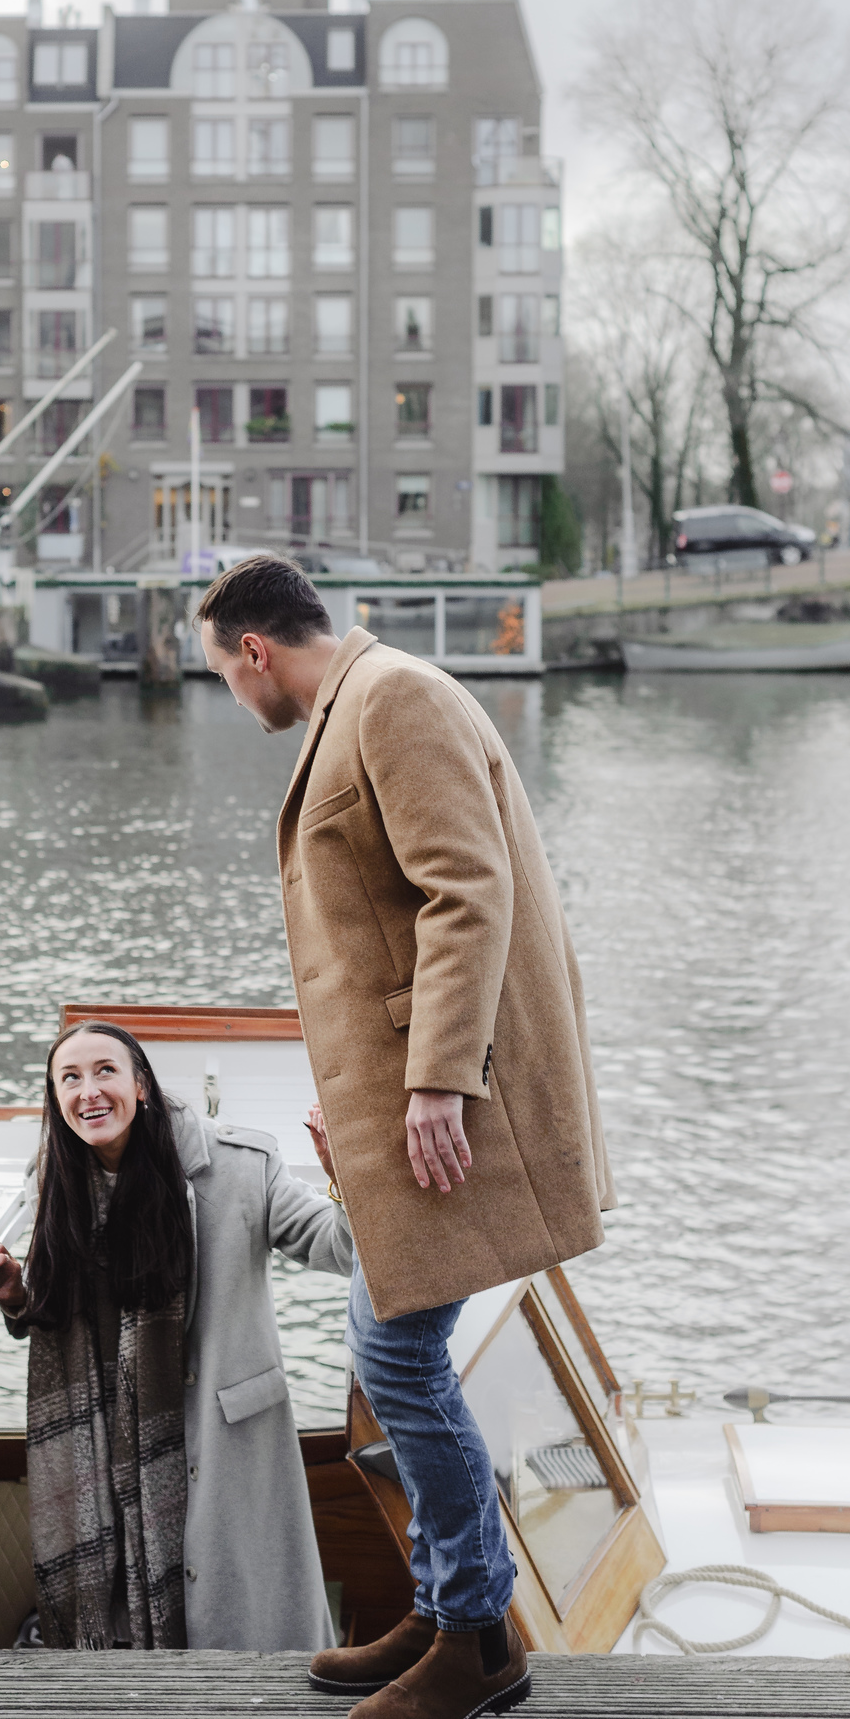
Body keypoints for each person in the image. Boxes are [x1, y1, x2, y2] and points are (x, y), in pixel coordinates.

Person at [198, 557, 615, 1719]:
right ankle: (445, 1612)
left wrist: (434, 1085)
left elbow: (466, 892)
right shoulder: (358, 706)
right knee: (384, 1341)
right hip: (410, 1104)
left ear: (254, 652)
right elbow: (382, 935)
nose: (232, 695)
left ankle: (479, 1638)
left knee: (395, 1359)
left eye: (222, 672)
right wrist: (366, 1095)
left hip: (455, 1105)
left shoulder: (392, 699)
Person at [0, 1018, 353, 1653]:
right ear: (55, 1099)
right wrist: (17, 1293)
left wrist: (346, 1177)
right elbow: (62, 1309)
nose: (88, 1091)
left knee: (243, 1629)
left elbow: (341, 1248)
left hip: (223, 1430)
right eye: (69, 1078)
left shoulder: (242, 1165)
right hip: (108, 1437)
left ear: (142, 1085)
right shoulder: (53, 1180)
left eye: (105, 1072)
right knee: (128, 1606)